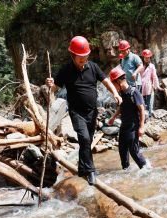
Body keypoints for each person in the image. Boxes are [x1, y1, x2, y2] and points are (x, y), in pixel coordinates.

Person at [46, 36, 122, 185]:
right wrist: (50, 85)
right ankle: (91, 171)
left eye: (85, 56)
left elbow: (106, 81)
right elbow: (55, 88)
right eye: (80, 57)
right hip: (76, 112)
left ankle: (82, 169)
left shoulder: (93, 67)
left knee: (86, 141)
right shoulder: (66, 70)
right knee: (85, 139)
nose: (83, 59)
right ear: (73, 55)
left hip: (92, 111)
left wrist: (115, 93)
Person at [108, 67, 146, 170]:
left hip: (133, 125)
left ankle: (146, 169)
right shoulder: (121, 93)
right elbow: (121, 107)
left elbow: (142, 110)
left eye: (113, 84)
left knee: (134, 151)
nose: (113, 88)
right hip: (124, 125)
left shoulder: (134, 92)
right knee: (122, 149)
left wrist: (142, 127)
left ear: (119, 81)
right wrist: (113, 117)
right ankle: (126, 170)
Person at [140, 49, 161, 118]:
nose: (147, 59)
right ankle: (143, 116)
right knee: (142, 102)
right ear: (143, 57)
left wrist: (157, 86)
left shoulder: (152, 66)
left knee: (149, 103)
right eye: (146, 57)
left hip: (149, 86)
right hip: (141, 86)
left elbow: (154, 76)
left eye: (148, 57)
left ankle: (149, 116)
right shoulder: (140, 66)